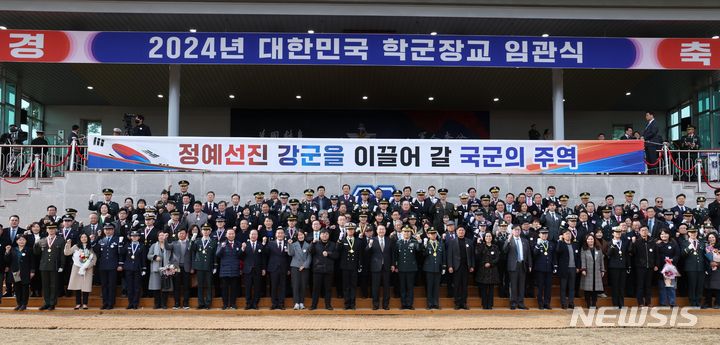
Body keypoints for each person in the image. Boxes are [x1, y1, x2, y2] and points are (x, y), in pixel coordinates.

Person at [34, 224, 65, 310]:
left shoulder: (61, 240)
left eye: (53, 229)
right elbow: (36, 253)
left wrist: (62, 265)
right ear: (47, 230)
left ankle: (52, 303)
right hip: (44, 266)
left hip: (55, 265)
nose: (51, 230)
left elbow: (62, 254)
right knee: (45, 285)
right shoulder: (42, 240)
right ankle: (46, 302)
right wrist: (36, 243)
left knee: (53, 285)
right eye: (49, 229)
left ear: (56, 230)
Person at [63, 232, 96, 310]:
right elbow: (67, 253)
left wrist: (88, 266)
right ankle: (78, 303)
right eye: (82, 237)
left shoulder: (90, 247)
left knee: (85, 286)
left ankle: (85, 303)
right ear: (80, 239)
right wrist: (68, 244)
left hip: (87, 269)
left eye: (85, 237)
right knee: (77, 286)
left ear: (87, 238)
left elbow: (94, 258)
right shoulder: (76, 247)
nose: (84, 239)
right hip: (77, 268)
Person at [93, 223, 122, 310]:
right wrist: (97, 237)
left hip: (113, 266)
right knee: (104, 285)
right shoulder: (101, 240)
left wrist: (120, 264)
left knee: (112, 285)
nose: (108, 231)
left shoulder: (117, 240)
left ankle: (111, 303)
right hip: (103, 266)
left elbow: (120, 253)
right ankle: (105, 303)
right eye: (106, 229)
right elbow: (93, 247)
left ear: (113, 230)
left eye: (110, 229)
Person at [446, 226, 475, 310]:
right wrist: (450, 266)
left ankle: (464, 303)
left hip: (466, 266)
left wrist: (472, 265)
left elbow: (472, 255)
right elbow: (449, 255)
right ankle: (457, 303)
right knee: (457, 285)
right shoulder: (452, 242)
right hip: (456, 267)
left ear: (465, 232)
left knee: (464, 285)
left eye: (462, 230)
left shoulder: (469, 242)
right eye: (459, 230)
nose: (461, 232)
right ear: (456, 232)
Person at [309, 229, 338, 310]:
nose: (324, 235)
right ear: (320, 235)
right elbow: (310, 252)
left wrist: (328, 254)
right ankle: (313, 305)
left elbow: (336, 255)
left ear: (328, 235)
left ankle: (328, 305)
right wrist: (312, 243)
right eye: (323, 234)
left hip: (328, 270)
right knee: (316, 289)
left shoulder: (333, 244)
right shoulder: (316, 243)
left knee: (328, 289)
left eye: (326, 234)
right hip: (317, 270)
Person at [504, 225, 531, 310]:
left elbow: (529, 254)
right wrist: (508, 240)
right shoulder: (509, 241)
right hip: (513, 266)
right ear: (512, 231)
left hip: (522, 265)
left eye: (519, 230)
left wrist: (530, 264)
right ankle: (513, 303)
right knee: (513, 285)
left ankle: (521, 303)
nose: (517, 231)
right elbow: (504, 250)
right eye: (516, 230)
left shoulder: (525, 241)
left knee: (521, 285)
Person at [4, 235, 34, 311]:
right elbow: (7, 260)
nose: (21, 241)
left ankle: (24, 304)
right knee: (17, 288)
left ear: (26, 241)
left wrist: (32, 271)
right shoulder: (13, 249)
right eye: (19, 240)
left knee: (25, 288)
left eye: (23, 240)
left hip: (25, 272)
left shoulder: (29, 249)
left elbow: (32, 261)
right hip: (15, 272)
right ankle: (19, 303)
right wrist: (7, 252)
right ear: (17, 241)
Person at [631, 226, 657, 307]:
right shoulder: (637, 242)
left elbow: (656, 254)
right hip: (640, 267)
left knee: (648, 285)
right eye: (642, 230)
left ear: (648, 231)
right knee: (640, 285)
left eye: (646, 230)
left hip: (650, 267)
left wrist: (656, 264)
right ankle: (640, 302)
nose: (644, 231)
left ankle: (648, 302)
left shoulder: (652, 241)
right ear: (639, 232)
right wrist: (633, 243)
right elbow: (632, 253)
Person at [338, 222, 362, 310]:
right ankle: (346, 304)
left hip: (354, 266)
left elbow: (360, 254)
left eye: (352, 229)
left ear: (354, 230)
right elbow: (338, 250)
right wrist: (339, 240)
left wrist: (360, 265)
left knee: (353, 286)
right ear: (346, 230)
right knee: (346, 286)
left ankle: (352, 304)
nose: (350, 231)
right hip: (345, 267)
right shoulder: (343, 240)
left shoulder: (358, 241)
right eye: (348, 229)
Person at [191, 224, 216, 309]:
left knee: (209, 285)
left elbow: (215, 255)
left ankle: (208, 303)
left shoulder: (213, 241)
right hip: (200, 266)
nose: (205, 232)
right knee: (200, 285)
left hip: (209, 266)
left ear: (210, 231)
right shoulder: (197, 241)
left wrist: (215, 266)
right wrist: (192, 240)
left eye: (207, 230)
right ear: (201, 231)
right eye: (204, 230)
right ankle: (201, 303)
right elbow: (191, 249)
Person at [147, 232, 174, 309]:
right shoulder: (153, 245)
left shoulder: (169, 245)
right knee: (156, 287)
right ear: (158, 237)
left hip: (166, 269)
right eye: (160, 235)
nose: (161, 237)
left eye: (163, 235)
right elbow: (148, 255)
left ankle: (164, 304)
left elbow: (172, 255)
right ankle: (157, 304)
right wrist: (155, 257)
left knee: (165, 287)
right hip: (156, 269)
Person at [239, 229, 264, 310]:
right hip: (247, 270)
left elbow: (263, 258)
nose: (253, 236)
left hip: (257, 270)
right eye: (252, 234)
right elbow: (240, 256)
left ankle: (255, 303)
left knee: (257, 288)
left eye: (255, 234)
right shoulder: (245, 245)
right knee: (248, 287)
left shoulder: (261, 245)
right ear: (249, 235)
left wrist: (263, 268)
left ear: (257, 236)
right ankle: (248, 303)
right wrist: (242, 249)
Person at [122, 231, 147, 310]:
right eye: (133, 236)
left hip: (137, 268)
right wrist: (120, 244)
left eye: (136, 236)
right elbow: (122, 253)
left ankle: (135, 303)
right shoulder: (127, 245)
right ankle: (130, 303)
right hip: (128, 268)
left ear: (139, 237)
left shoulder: (142, 246)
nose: (134, 237)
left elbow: (143, 259)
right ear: (130, 237)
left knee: (137, 287)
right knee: (129, 287)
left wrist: (144, 268)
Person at [266, 227, 290, 310]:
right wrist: (264, 243)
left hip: (284, 268)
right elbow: (266, 255)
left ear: (284, 235)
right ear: (276, 235)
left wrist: (288, 269)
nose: (280, 234)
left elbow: (289, 257)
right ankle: (274, 303)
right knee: (274, 286)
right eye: (278, 233)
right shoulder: (270, 243)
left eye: (281, 233)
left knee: (282, 286)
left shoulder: (288, 243)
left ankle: (281, 303)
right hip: (273, 268)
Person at [556, 230, 580, 309]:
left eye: (569, 234)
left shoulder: (574, 245)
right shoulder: (561, 244)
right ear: (563, 236)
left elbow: (577, 257)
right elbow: (558, 251)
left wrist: (578, 267)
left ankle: (571, 303)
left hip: (573, 268)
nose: (568, 235)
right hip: (564, 269)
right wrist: (559, 240)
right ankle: (563, 303)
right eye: (566, 234)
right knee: (563, 287)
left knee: (572, 287)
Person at [607, 227, 630, 308]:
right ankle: (615, 303)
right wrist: (613, 245)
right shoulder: (610, 243)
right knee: (615, 286)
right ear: (613, 233)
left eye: (619, 232)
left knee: (622, 286)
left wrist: (628, 266)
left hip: (623, 266)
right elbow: (608, 254)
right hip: (614, 267)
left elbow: (626, 254)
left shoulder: (624, 242)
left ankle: (621, 303)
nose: (618, 234)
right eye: (616, 232)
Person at [532, 228, 555, 309]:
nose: (544, 235)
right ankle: (540, 303)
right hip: (539, 269)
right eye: (543, 234)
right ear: (539, 235)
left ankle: (547, 303)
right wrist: (538, 245)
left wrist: (555, 266)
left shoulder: (551, 244)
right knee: (540, 286)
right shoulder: (536, 243)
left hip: (549, 268)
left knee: (548, 287)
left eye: (546, 234)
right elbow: (534, 254)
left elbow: (553, 256)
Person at [475, 231, 499, 310]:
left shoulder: (495, 247)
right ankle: (484, 304)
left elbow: (497, 258)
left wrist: (490, 263)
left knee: (491, 289)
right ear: (484, 238)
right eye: (487, 236)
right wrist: (478, 244)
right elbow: (477, 256)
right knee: (484, 289)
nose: (488, 238)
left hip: (492, 270)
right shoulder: (481, 246)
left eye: (490, 236)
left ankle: (490, 304)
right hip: (483, 270)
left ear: (492, 237)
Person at [422, 228, 445, 310]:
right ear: (428, 235)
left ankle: (436, 303)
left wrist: (443, 266)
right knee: (429, 287)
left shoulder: (440, 244)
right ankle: (429, 304)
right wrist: (424, 245)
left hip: (438, 268)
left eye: (434, 233)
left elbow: (443, 256)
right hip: (429, 268)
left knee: (436, 287)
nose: (433, 235)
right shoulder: (426, 244)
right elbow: (423, 255)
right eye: (431, 234)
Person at [580, 234, 605, 308]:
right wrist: (583, 269)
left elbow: (601, 261)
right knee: (587, 289)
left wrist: (602, 270)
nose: (590, 240)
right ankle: (588, 303)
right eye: (589, 239)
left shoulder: (598, 249)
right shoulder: (584, 249)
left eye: (592, 239)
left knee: (595, 289)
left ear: (594, 240)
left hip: (596, 272)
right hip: (587, 272)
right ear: (586, 240)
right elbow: (583, 260)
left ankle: (594, 303)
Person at [656, 229, 679, 307]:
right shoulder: (657, 245)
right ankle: (663, 303)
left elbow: (677, 255)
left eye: (665, 234)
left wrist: (672, 260)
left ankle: (672, 302)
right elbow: (656, 256)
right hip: (661, 268)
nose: (664, 236)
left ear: (669, 235)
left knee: (671, 286)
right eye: (662, 234)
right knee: (662, 286)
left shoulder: (673, 244)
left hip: (671, 268)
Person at [288, 231, 311, 310]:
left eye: (302, 235)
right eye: (299, 235)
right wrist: (289, 244)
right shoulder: (293, 244)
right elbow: (290, 254)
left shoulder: (308, 245)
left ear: (304, 236)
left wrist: (304, 266)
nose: (300, 236)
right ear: (297, 236)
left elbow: (309, 257)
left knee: (303, 285)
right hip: (295, 266)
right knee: (295, 285)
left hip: (304, 268)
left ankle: (301, 302)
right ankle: (296, 303)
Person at [170, 228, 192, 309]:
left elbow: (192, 256)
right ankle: (177, 303)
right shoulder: (174, 243)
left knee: (186, 286)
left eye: (183, 233)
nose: (181, 235)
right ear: (177, 234)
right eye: (180, 233)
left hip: (186, 267)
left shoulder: (189, 243)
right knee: (176, 286)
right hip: (176, 267)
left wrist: (192, 267)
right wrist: (165, 239)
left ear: (186, 234)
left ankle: (186, 303)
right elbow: (167, 247)